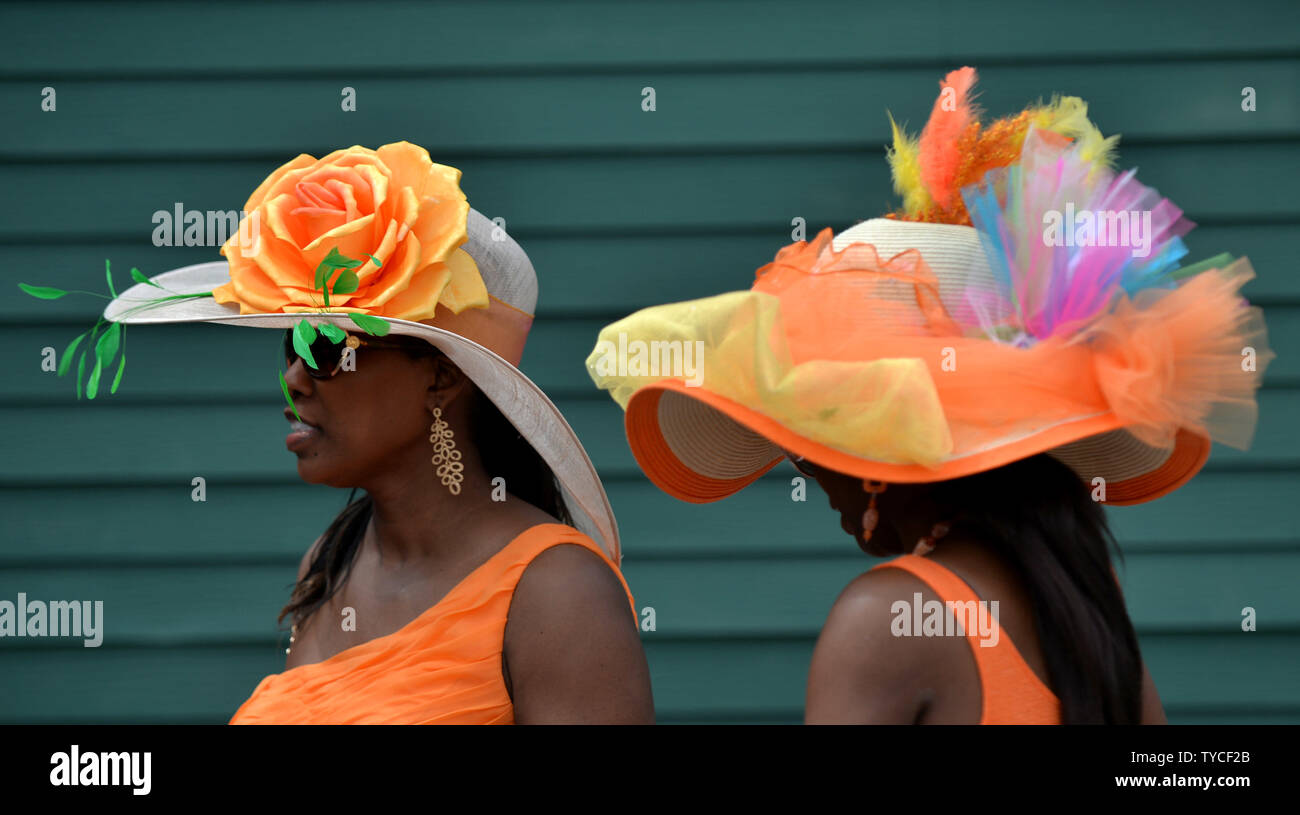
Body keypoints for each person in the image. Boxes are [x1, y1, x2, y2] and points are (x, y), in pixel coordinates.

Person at [586, 68, 1271, 724]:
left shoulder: (890, 616)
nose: (806, 466)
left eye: (824, 422)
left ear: (889, 434)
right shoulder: (1087, 599)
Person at [28, 141, 654, 724]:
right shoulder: (335, 562)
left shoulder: (558, 592)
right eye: (289, 349)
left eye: (327, 347)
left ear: (440, 379)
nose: (295, 381)